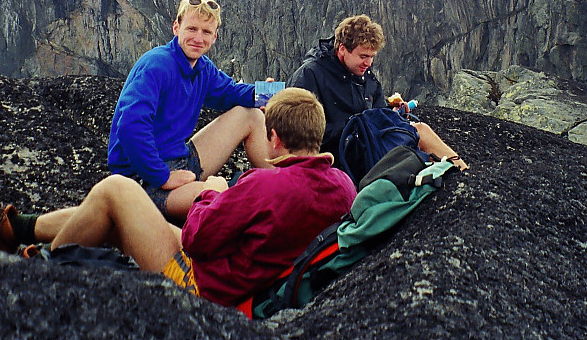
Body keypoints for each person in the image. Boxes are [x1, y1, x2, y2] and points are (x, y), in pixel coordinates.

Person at [0, 0, 272, 251]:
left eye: (206, 32)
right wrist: (161, 176)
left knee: (250, 114)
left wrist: (277, 93)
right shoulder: (157, 66)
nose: (198, 38)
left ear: (215, 36)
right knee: (221, 199)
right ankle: (37, 247)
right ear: (176, 28)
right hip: (142, 176)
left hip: (179, 158)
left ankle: (280, 180)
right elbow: (131, 127)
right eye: (191, 29)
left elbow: (233, 94)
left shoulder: (203, 69)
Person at [44, 87, 356, 306]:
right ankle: (30, 239)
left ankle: (35, 275)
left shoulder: (264, 185)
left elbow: (196, 238)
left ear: (273, 138)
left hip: (203, 290)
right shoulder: (343, 186)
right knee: (133, 222)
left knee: (116, 190)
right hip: (252, 277)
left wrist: (210, 193)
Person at [287, 14, 468, 171]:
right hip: (342, 156)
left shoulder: (366, 78)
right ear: (342, 49)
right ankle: (462, 174)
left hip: (367, 146)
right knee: (419, 132)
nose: (369, 63)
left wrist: (393, 113)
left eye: (372, 56)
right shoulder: (310, 74)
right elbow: (294, 127)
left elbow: (378, 111)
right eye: (363, 56)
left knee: (416, 134)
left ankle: (459, 174)